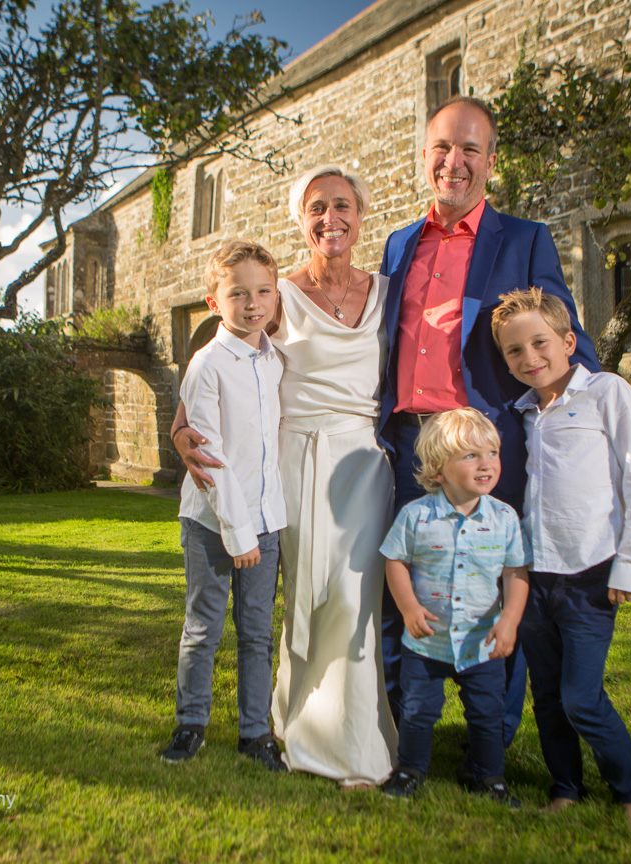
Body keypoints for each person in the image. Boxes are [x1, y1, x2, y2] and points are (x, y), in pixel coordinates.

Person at [377, 95, 600, 736]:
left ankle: (491, 741)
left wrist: (594, 408)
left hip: (485, 444)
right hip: (406, 442)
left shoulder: (525, 240)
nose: (455, 161)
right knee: (402, 584)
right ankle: (400, 730)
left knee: (496, 589)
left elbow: (564, 335)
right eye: (443, 148)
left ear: (490, 161)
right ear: (424, 157)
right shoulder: (398, 244)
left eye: (470, 149)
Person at [173, 165, 398, 787]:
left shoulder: (387, 289)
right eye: (318, 207)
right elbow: (223, 357)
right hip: (293, 464)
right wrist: (180, 425)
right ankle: (290, 722)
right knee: (305, 597)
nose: (332, 218)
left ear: (361, 211)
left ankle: (355, 737)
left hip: (362, 463)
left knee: (356, 601)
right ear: (301, 220)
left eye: (343, 205)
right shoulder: (278, 297)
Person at [492, 287, 631, 831]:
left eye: (539, 343)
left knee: (581, 697)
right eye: (514, 352)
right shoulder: (519, 413)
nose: (529, 358)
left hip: (590, 575)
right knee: (546, 693)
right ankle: (566, 785)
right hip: (536, 577)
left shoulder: (606, 392)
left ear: (568, 341)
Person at [161, 240, 287, 773]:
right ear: (215, 302)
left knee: (257, 633)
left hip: (267, 521)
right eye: (238, 294)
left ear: (275, 295)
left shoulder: (275, 358)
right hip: (214, 525)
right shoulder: (207, 364)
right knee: (203, 628)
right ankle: (191, 725)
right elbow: (208, 458)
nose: (253, 303)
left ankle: (255, 733)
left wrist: (258, 530)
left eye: (263, 291)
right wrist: (238, 536)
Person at [378, 408, 530, 803]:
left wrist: (510, 621)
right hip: (427, 644)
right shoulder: (416, 516)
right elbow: (394, 560)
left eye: (492, 454)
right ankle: (410, 769)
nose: (486, 464)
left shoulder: (505, 519)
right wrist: (409, 607)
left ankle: (488, 776)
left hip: (481, 644)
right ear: (437, 469)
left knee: (486, 714)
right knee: (417, 711)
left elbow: (516, 572)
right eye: (471, 456)